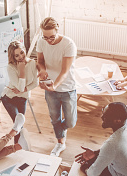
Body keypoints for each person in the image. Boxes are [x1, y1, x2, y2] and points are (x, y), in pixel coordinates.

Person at [75, 102, 127, 176]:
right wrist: (96, 153)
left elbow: (93, 173)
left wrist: (86, 169)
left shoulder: (112, 144)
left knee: (86, 166)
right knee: (103, 157)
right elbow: (116, 150)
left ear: (117, 121)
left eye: (106, 115)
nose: (102, 117)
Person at [36, 17, 78, 157]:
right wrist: (41, 70)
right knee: (55, 118)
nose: (48, 40)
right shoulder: (41, 41)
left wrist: (55, 85)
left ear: (57, 30)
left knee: (71, 122)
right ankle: (60, 142)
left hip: (67, 87)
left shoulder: (68, 44)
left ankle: (61, 130)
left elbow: (65, 71)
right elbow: (40, 62)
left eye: (52, 37)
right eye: (45, 37)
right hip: (50, 87)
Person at [1, 40, 38, 149]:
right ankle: (17, 150)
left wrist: (24, 89)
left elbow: (36, 83)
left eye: (22, 52)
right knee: (17, 125)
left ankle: (17, 149)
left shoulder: (32, 63)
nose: (21, 57)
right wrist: (21, 70)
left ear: (25, 50)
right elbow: (20, 87)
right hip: (9, 98)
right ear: (13, 57)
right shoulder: (11, 67)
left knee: (19, 125)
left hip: (23, 98)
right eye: (16, 55)